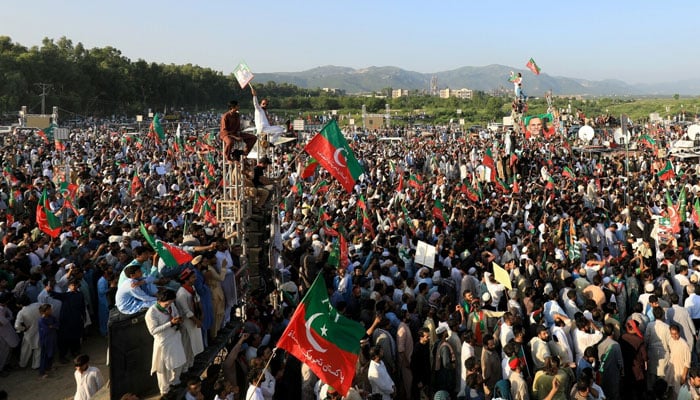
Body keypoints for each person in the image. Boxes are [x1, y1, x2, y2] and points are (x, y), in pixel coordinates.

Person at [145, 288, 187, 397]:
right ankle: (165, 391)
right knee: (163, 369)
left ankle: (175, 381)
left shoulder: (171, 306)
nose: (170, 305)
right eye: (168, 303)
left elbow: (176, 314)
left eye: (171, 302)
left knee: (179, 362)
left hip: (175, 338)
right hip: (163, 342)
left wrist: (178, 320)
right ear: (160, 300)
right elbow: (153, 331)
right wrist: (170, 324)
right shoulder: (151, 313)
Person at [176, 267, 204, 371]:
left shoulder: (192, 288)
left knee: (194, 344)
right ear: (186, 280)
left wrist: (201, 314)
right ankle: (185, 368)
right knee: (187, 345)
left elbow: (198, 299)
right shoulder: (181, 293)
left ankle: (191, 364)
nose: (195, 279)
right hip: (187, 322)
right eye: (192, 277)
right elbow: (186, 311)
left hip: (195, 319)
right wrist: (197, 320)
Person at [667, 324, 692, 396]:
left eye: (676, 334)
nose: (674, 336)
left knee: (680, 393)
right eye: (672, 334)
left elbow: (687, 363)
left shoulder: (684, 345)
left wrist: (683, 376)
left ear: (679, 332)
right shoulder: (670, 341)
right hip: (672, 370)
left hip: (680, 372)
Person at [38, 303, 59, 378]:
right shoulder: (41, 320)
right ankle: (42, 372)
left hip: (52, 338)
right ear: (44, 311)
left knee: (51, 354)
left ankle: (49, 367)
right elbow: (46, 329)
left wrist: (52, 326)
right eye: (49, 310)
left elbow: (57, 325)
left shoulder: (52, 317)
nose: (51, 311)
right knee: (45, 356)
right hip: (45, 340)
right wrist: (52, 326)